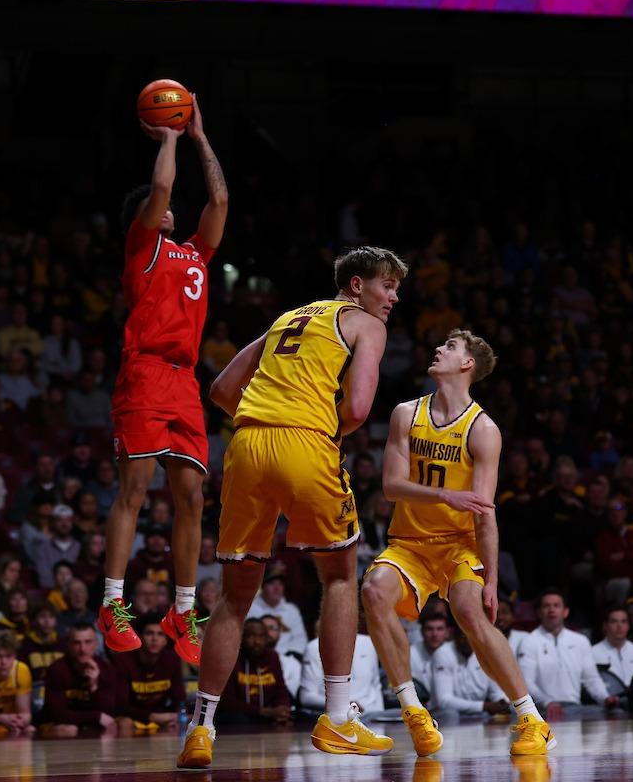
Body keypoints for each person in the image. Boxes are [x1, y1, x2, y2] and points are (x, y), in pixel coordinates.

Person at [178, 246, 406, 768]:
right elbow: (357, 408)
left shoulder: (285, 319)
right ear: (355, 285)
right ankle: (338, 719)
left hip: (246, 446)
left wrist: (268, 417)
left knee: (235, 596)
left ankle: (200, 728)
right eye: (385, 285)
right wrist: (313, 429)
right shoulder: (366, 326)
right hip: (305, 444)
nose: (392, 297)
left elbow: (220, 389)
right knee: (340, 577)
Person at [362, 330, 552, 758]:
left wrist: (493, 581)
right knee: (373, 592)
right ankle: (413, 710)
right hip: (409, 542)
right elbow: (391, 487)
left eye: (450, 347)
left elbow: (484, 512)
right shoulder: (405, 414)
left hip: (459, 543)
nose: (438, 349)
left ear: (467, 365)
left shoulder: (483, 430)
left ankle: (532, 720)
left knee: (470, 611)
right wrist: (445, 495)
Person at [100, 93, 228, 670]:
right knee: (135, 489)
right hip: (145, 371)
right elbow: (158, 193)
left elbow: (220, 197)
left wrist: (199, 137)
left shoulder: (197, 253)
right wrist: (169, 137)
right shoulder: (143, 246)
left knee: (192, 500)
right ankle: (112, 604)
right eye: (164, 204)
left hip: (184, 381)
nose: (172, 207)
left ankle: (182, 611)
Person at [517, 589, 618, 718]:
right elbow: (526, 682)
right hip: (541, 709)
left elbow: (591, 679)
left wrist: (605, 698)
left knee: (617, 713)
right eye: (546, 606)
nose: (551, 610)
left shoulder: (580, 641)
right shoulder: (529, 641)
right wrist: (548, 702)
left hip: (574, 708)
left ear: (565, 612)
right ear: (539, 613)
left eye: (556, 605)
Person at [112, 612, 186, 735]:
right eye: (149, 633)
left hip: (160, 715)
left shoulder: (172, 660)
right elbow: (120, 705)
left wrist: (173, 715)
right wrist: (152, 716)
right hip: (133, 716)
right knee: (125, 723)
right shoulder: (124, 660)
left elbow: (179, 699)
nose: (155, 639)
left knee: (184, 719)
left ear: (166, 640)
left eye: (160, 634)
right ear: (140, 637)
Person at [41, 623, 118, 738]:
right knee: (68, 730)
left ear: (97, 644)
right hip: (62, 725)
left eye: (88, 642)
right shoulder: (57, 670)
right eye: (77, 643)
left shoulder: (106, 668)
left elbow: (110, 711)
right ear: (68, 645)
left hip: (91, 724)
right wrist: (96, 716)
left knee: (115, 725)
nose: (82, 649)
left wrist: (94, 686)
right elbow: (58, 715)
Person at [298, 618, 384, 717]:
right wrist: (344, 706)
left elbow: (376, 685)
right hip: (332, 718)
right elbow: (306, 697)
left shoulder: (368, 643)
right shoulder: (314, 648)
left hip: (371, 716)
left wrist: (378, 715)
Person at [218, 619, 293, 728]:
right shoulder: (231, 658)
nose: (257, 642)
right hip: (241, 717)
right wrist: (263, 712)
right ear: (242, 638)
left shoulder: (272, 657)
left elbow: (281, 690)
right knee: (236, 719)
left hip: (268, 715)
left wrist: (283, 709)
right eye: (251, 636)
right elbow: (227, 701)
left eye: (262, 637)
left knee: (302, 718)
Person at [429, 628, 510, 718]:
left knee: (513, 708)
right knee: (450, 714)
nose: (466, 640)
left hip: (479, 712)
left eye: (471, 636)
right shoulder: (442, 653)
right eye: (463, 636)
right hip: (444, 714)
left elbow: (496, 692)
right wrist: (485, 706)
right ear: (454, 636)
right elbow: (444, 701)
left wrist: (502, 702)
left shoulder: (486, 653)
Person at [245, 562, 308, 657]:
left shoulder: (292, 610)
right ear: (262, 586)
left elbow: (300, 639)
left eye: (280, 584)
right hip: (257, 657)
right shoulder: (250, 609)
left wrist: (289, 659)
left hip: (288, 660)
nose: (277, 588)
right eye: (271, 583)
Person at [591, 606, 633, 692]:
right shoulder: (593, 653)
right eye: (614, 622)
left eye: (623, 621)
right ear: (605, 626)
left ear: (628, 626)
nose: (619, 626)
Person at [20, 602, 64, 681]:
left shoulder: (63, 644)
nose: (47, 621)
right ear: (34, 620)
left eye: (51, 617)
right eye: (42, 617)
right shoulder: (24, 645)